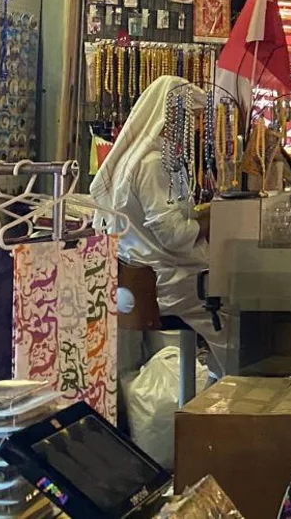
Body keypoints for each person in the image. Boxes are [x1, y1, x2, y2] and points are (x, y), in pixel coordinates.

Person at [91, 76, 227, 372]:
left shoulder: (140, 158)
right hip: (168, 281)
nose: (197, 126)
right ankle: (233, 396)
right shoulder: (152, 163)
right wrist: (212, 218)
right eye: (192, 118)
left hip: (148, 273)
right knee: (232, 318)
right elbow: (174, 235)